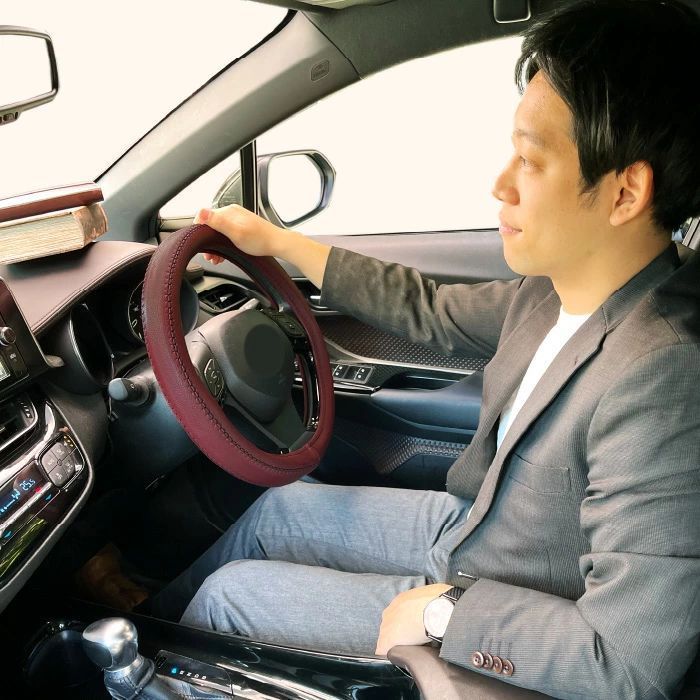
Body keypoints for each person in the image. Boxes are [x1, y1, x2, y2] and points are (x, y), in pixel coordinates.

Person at [151, 0, 700, 697]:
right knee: (276, 509)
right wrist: (278, 243)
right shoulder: (555, 289)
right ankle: (143, 618)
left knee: (232, 597)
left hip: (506, 594)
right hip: (472, 529)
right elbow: (427, 308)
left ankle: (134, 674)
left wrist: (447, 615)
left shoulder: (664, 375)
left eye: (531, 160)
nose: (500, 183)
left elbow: (631, 660)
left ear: (625, 192)